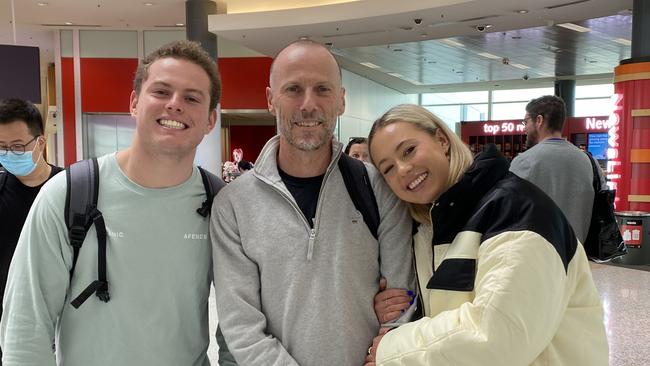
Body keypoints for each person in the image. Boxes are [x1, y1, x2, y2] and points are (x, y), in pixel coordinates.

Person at [1, 40, 222, 366]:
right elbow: (26, 327)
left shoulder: (220, 205)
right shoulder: (68, 195)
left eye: (191, 98)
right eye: (161, 92)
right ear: (134, 103)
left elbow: (238, 324)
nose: (175, 104)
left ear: (210, 120)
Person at [211, 40, 416, 366]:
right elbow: (242, 326)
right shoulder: (233, 205)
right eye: (293, 89)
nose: (308, 104)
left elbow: (401, 304)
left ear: (341, 100)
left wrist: (385, 351)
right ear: (270, 99)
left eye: (322, 89)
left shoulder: (376, 187)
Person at [365, 104, 608, 366]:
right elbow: (449, 312)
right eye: (388, 168)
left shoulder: (516, 212)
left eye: (409, 150)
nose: (402, 169)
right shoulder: (428, 228)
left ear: (442, 140)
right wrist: (402, 306)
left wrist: (392, 347)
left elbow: (499, 338)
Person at [0, 98, 63, 363]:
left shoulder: (68, 191)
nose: (8, 154)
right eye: (1, 147)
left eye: (16, 146)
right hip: (8, 318)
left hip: (58, 320)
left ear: (40, 143)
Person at [510, 95, 599, 243]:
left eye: (526, 122)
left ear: (539, 120)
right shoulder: (589, 161)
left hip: (537, 253)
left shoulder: (524, 161)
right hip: (577, 254)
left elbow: (509, 210)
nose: (524, 128)